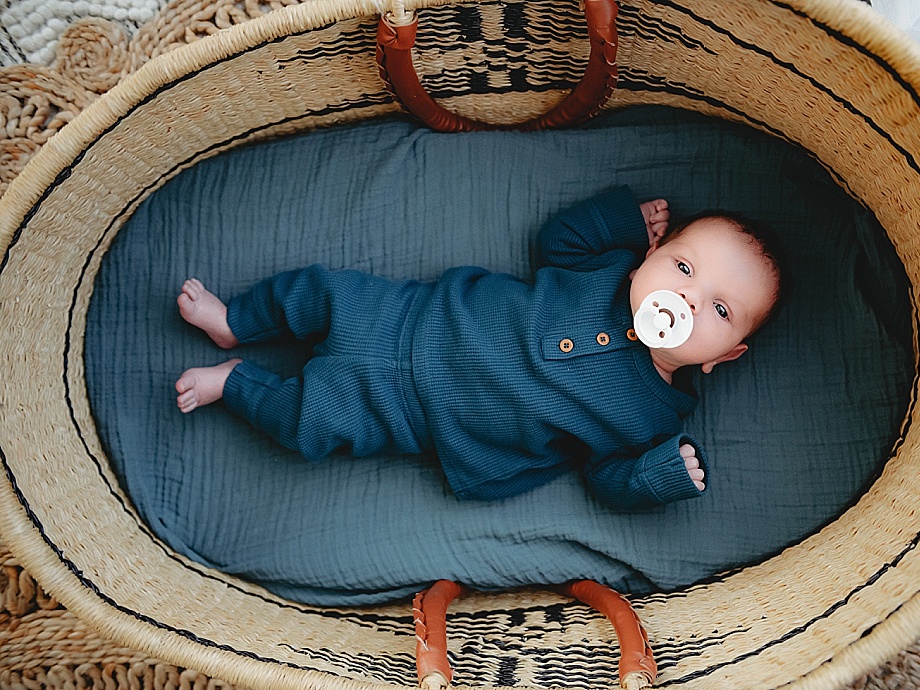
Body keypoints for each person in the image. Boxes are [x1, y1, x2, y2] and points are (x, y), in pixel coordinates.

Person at [174, 186, 781, 510]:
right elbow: (558, 237)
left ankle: (234, 381)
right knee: (314, 292)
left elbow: (606, 478)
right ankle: (237, 321)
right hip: (410, 316)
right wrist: (621, 223)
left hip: (409, 416)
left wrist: (653, 477)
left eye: (720, 311)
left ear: (721, 356)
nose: (689, 300)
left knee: (306, 424)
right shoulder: (604, 271)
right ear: (651, 255)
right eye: (682, 266)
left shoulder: (654, 418)